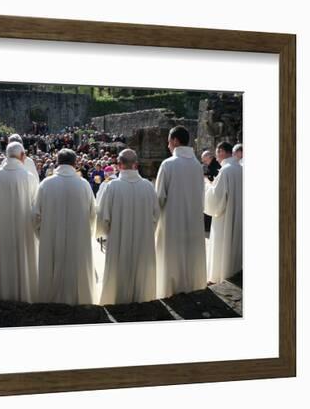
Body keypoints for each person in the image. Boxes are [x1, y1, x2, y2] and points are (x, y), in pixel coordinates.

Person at [33, 148, 96, 305]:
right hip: (78, 238)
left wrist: (43, 234)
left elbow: (35, 215)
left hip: (52, 237)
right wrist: (87, 232)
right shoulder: (84, 185)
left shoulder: (45, 184)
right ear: (75, 163)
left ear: (57, 162)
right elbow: (93, 214)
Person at [96, 149, 160, 305]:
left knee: (118, 274)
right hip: (143, 240)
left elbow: (102, 217)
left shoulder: (112, 187)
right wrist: (146, 231)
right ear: (136, 164)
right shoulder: (148, 186)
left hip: (118, 240)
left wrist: (106, 233)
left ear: (119, 165)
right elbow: (156, 216)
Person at [155, 126, 207, 298]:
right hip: (193, 219)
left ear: (175, 141)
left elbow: (159, 198)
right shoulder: (197, 165)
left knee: (172, 256)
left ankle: (170, 289)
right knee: (191, 254)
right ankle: (192, 286)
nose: (167, 145)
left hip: (172, 221)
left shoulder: (167, 164)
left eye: (169, 141)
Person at [0, 142, 39, 302]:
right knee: (24, 260)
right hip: (24, 229)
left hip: (2, 227)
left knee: (5, 258)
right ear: (22, 156)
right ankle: (27, 293)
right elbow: (35, 206)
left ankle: (5, 292)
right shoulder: (28, 177)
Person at [205, 142, 243, 284]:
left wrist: (207, 186)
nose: (216, 156)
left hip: (224, 217)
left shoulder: (226, 170)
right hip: (238, 214)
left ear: (221, 151)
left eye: (217, 152)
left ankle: (219, 276)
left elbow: (215, 199)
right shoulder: (240, 168)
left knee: (222, 246)